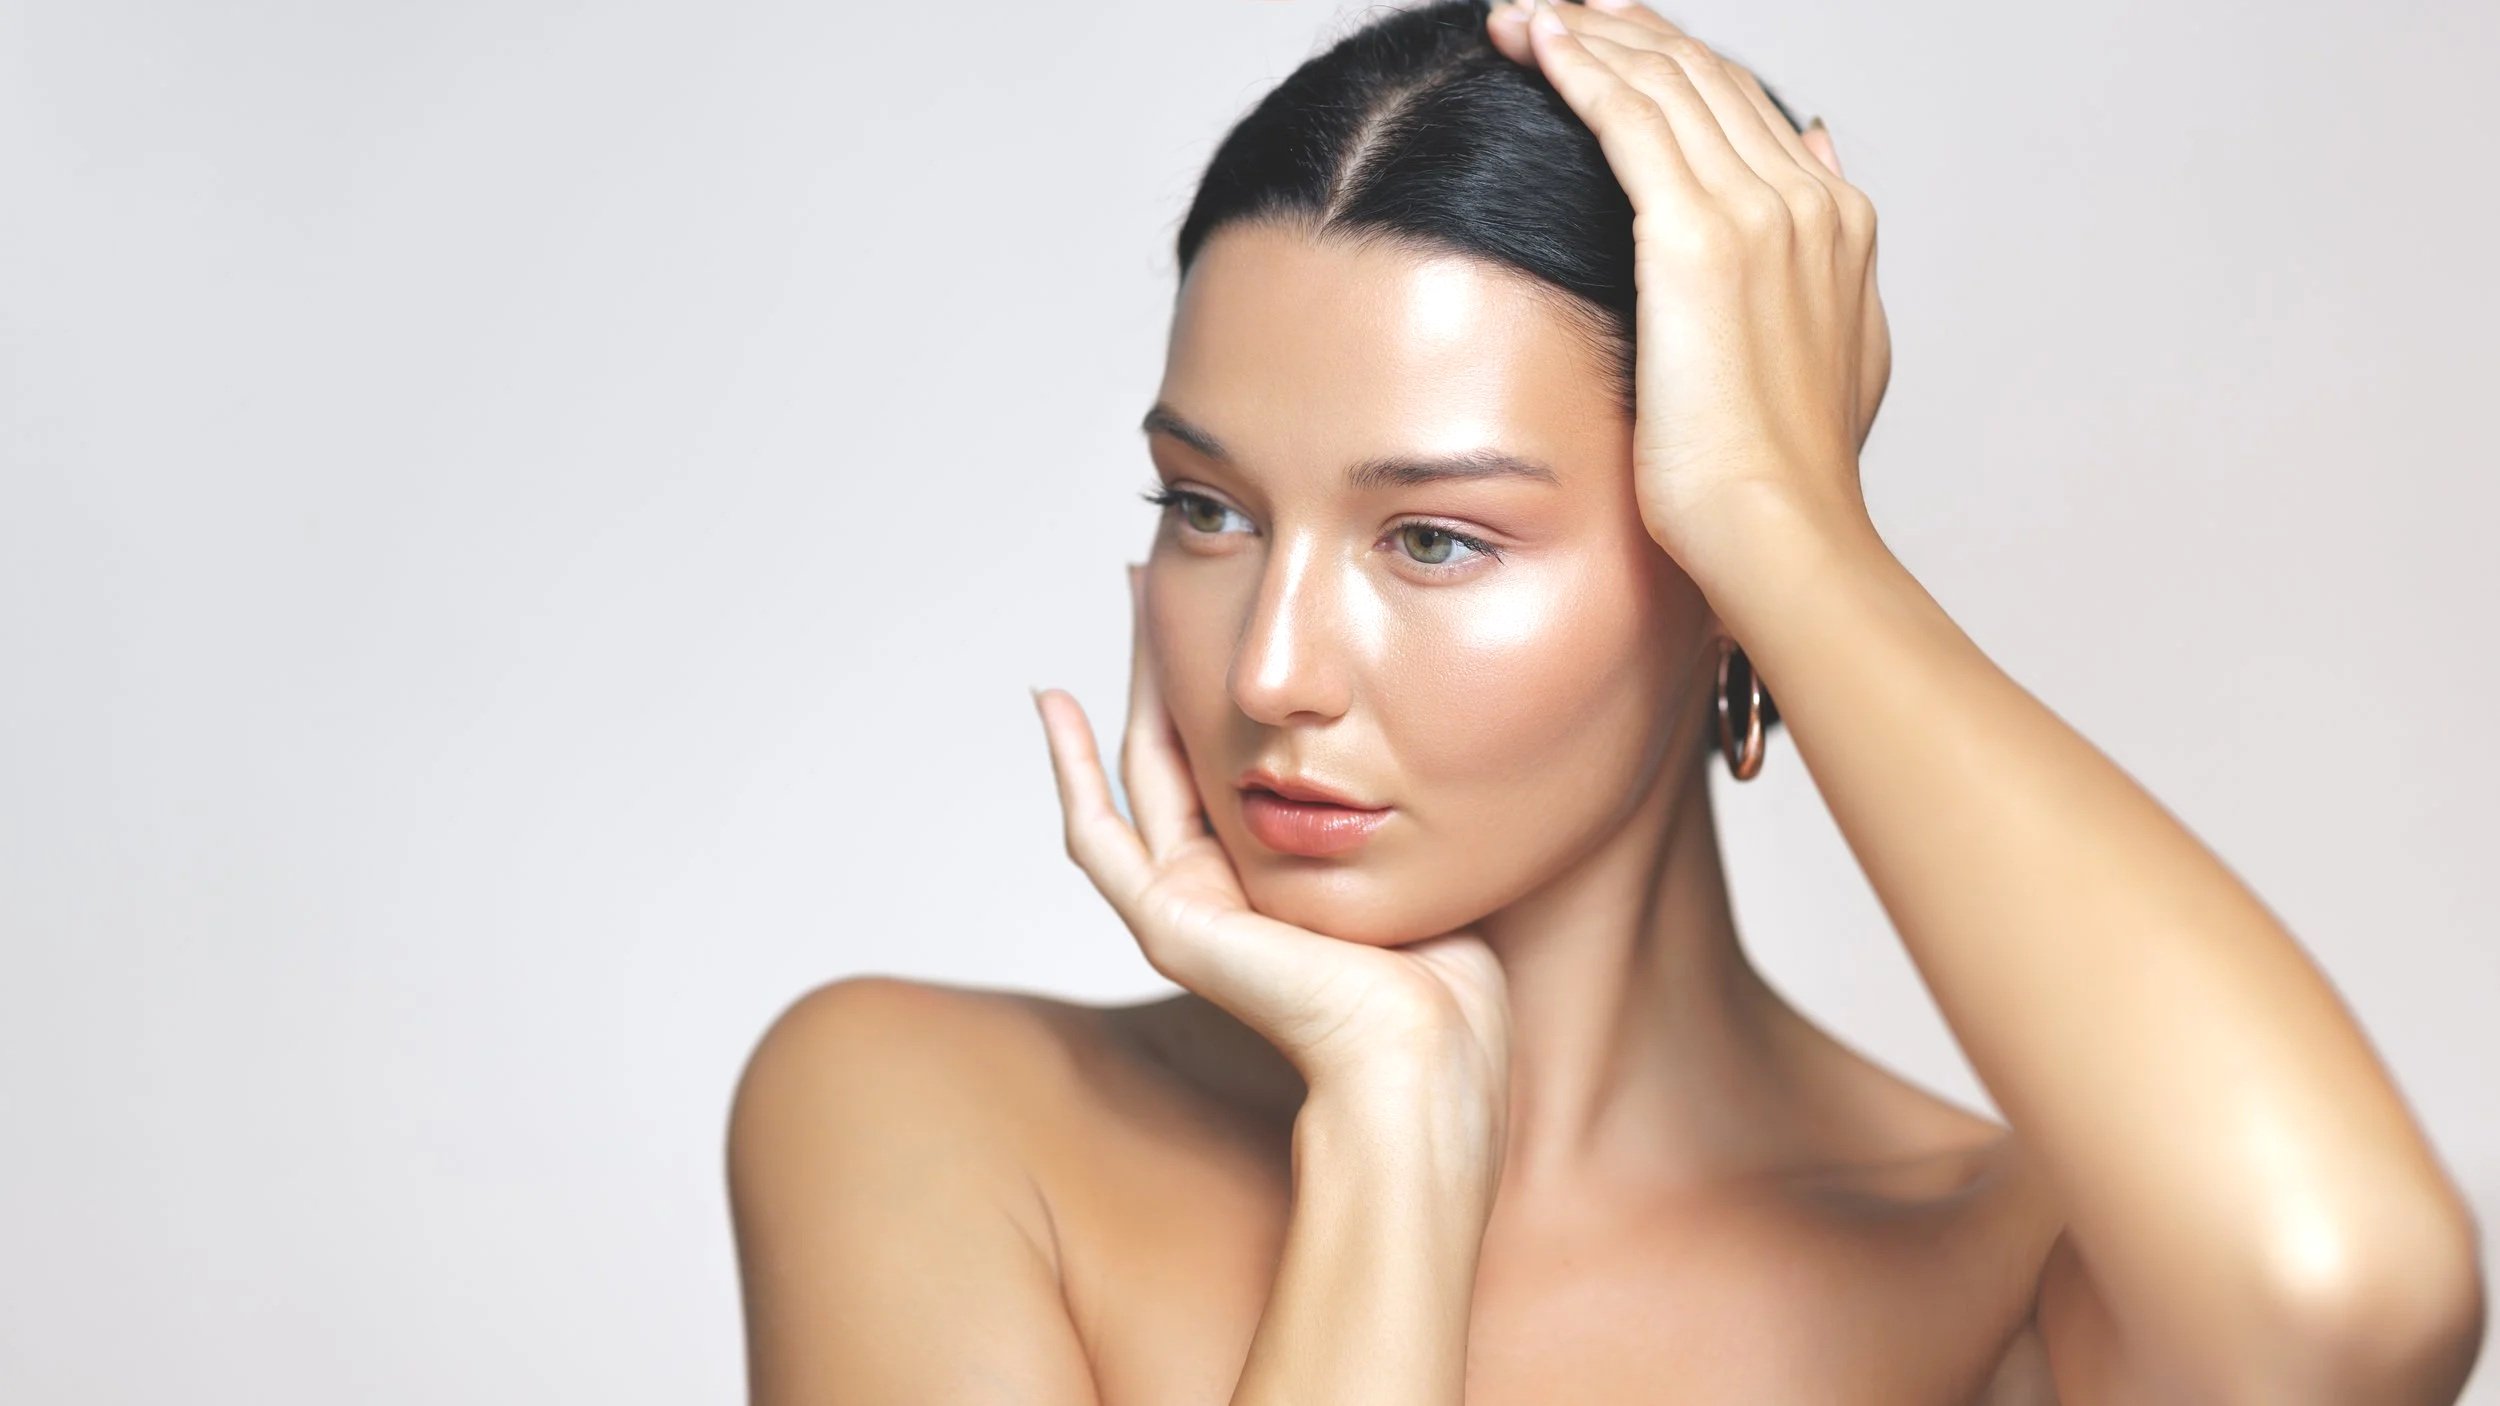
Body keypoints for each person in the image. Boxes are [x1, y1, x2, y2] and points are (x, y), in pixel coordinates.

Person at [725, 1, 2487, 1401]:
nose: (1269, 669)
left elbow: (2344, 1293)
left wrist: (1797, 534)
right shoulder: (927, 1117)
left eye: (1432, 536)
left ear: (1711, 575)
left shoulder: (1997, 1273)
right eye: (1211, 509)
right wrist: (1397, 1140)